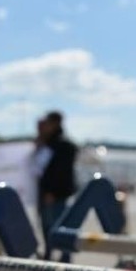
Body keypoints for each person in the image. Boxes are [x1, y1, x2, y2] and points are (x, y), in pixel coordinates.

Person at [33, 111, 77, 262]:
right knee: (46, 226)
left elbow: (60, 172)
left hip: (55, 195)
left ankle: (65, 257)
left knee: (59, 225)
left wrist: (52, 191)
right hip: (44, 192)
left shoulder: (64, 145)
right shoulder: (45, 144)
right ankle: (49, 253)